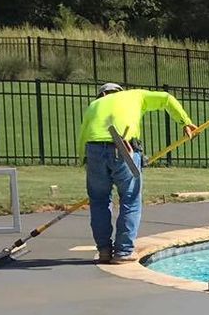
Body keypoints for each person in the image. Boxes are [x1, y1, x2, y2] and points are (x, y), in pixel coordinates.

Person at [79, 82, 198, 263]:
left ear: (102, 95)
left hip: (93, 149)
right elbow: (167, 99)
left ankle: (104, 250)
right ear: (120, 91)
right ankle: (123, 252)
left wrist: (84, 160)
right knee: (130, 199)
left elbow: (82, 135)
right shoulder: (135, 95)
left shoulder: (94, 105)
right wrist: (185, 122)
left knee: (99, 201)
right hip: (123, 147)